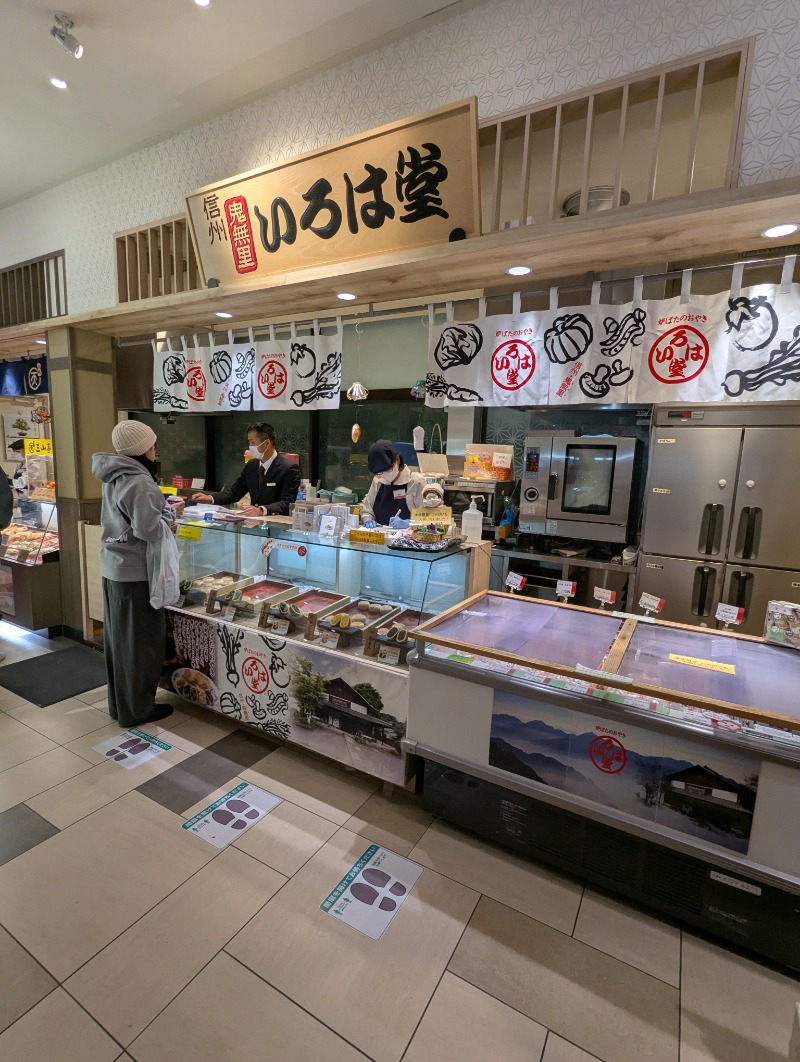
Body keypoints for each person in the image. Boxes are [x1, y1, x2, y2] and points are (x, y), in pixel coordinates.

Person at [92, 421, 178, 728]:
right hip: (135, 575)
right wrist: (170, 514)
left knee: (120, 643)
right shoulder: (138, 480)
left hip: (115, 569)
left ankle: (122, 706)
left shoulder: (114, 474)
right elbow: (149, 529)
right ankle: (138, 710)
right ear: (141, 449)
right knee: (141, 645)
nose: (156, 451)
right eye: (153, 446)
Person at [191, 422, 300, 516]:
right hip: (254, 525)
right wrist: (210, 498)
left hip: (276, 526)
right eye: (249, 442)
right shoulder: (251, 465)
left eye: (253, 443)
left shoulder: (289, 468)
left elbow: (287, 503)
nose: (250, 446)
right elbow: (234, 492)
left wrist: (261, 510)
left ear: (267, 443)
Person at [361, 439, 426, 528]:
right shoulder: (378, 481)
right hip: (381, 537)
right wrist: (367, 519)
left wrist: (409, 523)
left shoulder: (416, 482)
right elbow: (367, 510)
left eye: (388, 470)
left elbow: (429, 519)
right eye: (380, 472)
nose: (384, 475)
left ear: (397, 460)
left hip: (407, 539)